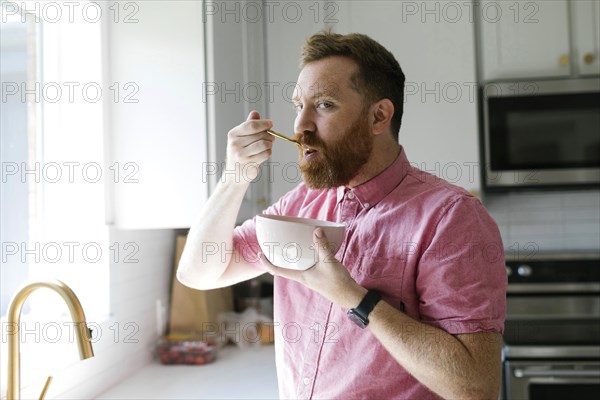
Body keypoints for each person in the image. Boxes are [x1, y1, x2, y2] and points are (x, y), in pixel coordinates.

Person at [178, 30, 506, 400]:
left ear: (379, 116)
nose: (301, 126)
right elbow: (198, 272)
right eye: (297, 105)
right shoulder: (298, 207)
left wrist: (354, 298)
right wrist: (233, 180)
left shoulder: (450, 218)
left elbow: (476, 387)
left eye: (324, 105)